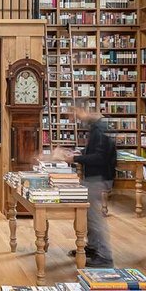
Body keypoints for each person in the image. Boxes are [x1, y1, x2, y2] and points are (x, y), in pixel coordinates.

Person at [53, 106, 117, 268]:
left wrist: (75, 160)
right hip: (93, 176)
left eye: (76, 113)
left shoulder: (100, 129)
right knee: (88, 215)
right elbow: (93, 152)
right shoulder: (96, 127)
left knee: (94, 217)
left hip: (98, 177)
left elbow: (99, 158)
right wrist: (78, 154)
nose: (76, 117)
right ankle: (92, 248)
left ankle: (104, 256)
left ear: (85, 110)